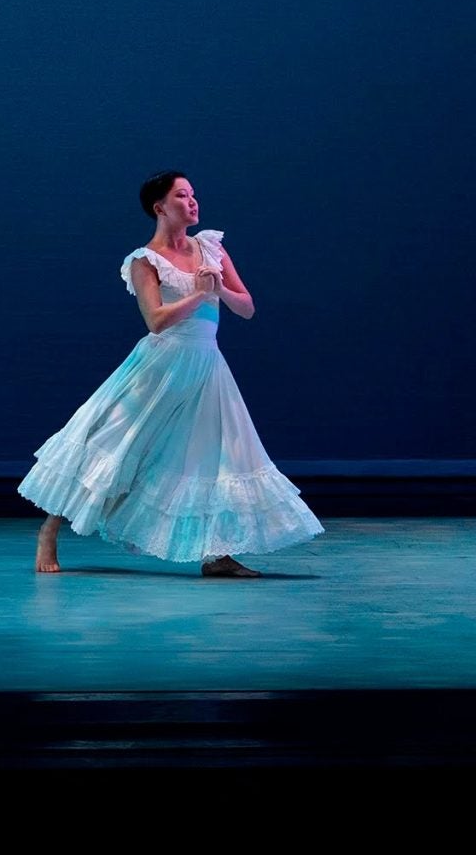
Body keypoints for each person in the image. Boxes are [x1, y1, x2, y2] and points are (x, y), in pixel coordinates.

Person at [20, 172, 321, 576]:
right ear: (160, 206)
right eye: (182, 195)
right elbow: (156, 321)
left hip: (207, 366)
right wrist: (199, 294)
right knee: (113, 444)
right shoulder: (145, 260)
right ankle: (50, 531)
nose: (192, 201)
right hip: (159, 367)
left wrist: (218, 290)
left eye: (193, 194)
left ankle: (218, 554)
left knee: (218, 457)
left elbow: (246, 307)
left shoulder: (211, 247)